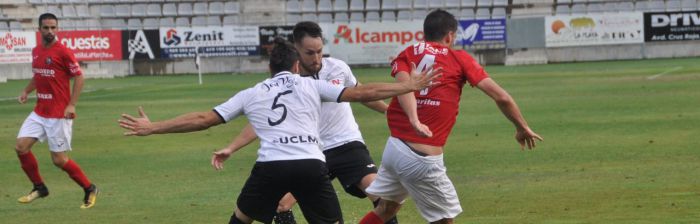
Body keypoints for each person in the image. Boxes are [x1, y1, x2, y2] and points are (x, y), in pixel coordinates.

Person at [118, 38, 440, 224]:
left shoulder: (253, 92)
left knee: (242, 218)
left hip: (270, 166)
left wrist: (154, 127)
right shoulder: (312, 85)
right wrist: (407, 86)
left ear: (268, 68)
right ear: (296, 65)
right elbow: (360, 92)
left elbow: (204, 118)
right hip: (312, 164)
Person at [359, 10, 543, 224]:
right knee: (444, 220)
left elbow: (403, 87)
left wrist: (413, 118)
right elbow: (501, 97)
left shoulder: (407, 53)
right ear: (449, 36)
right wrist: (521, 127)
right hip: (421, 157)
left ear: (425, 33)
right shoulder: (459, 58)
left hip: (395, 148)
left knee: (386, 209)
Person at [212, 21, 398, 224]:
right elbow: (268, 121)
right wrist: (232, 147)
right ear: (296, 50)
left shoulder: (338, 68)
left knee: (382, 198)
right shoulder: (288, 82)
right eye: (310, 53)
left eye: (320, 51)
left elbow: (361, 94)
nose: (317, 58)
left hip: (347, 144)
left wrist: (389, 112)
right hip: (311, 151)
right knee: (281, 205)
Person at [14, 13, 98, 209]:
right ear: (39, 29)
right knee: (21, 147)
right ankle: (39, 187)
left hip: (59, 114)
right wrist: (26, 90)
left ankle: (89, 188)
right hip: (40, 111)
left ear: (57, 29)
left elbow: (79, 77)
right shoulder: (36, 51)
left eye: (53, 28)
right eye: (46, 28)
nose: (50, 31)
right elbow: (39, 75)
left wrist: (72, 104)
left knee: (59, 160)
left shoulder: (63, 52)